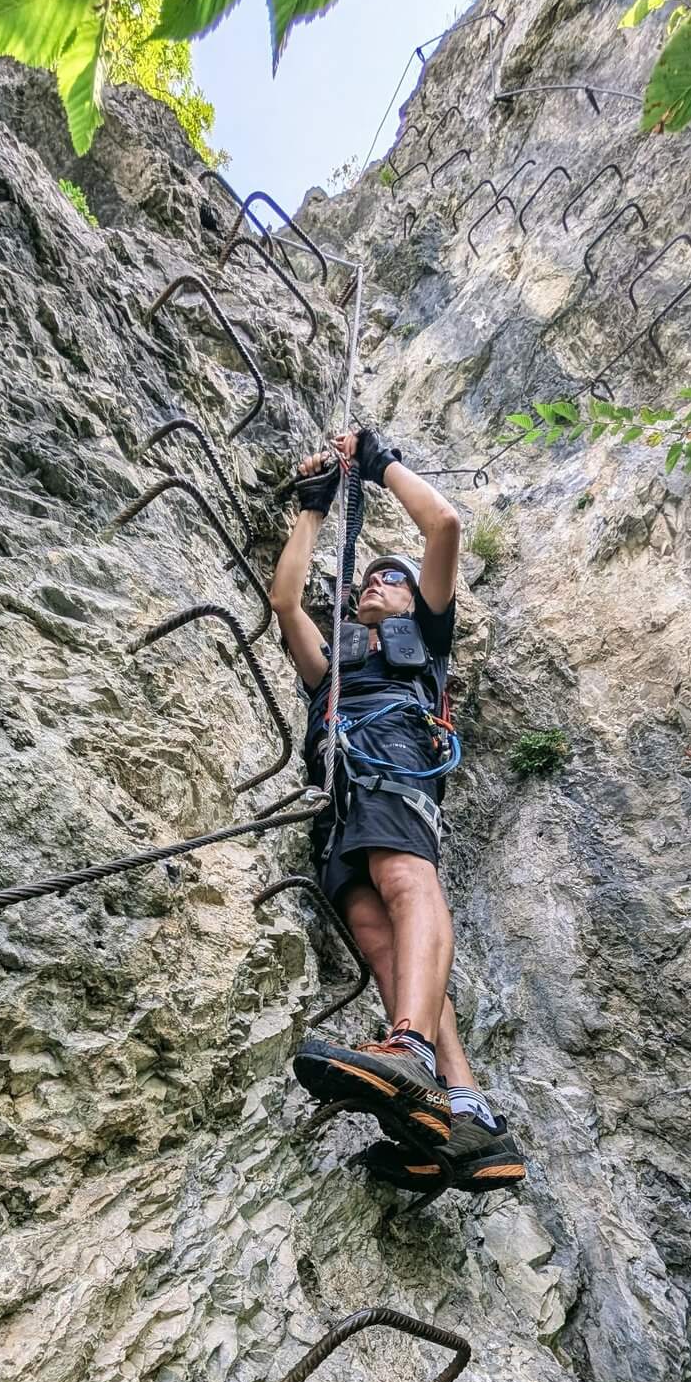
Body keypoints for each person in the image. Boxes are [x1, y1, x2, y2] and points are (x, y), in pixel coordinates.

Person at [268, 426, 524, 1196]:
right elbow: (285, 600)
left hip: (398, 763)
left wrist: (378, 465)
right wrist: (313, 510)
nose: (371, 583)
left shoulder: (429, 645)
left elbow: (443, 526)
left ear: (417, 598)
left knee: (410, 886)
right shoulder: (334, 666)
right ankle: (461, 1114)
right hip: (340, 802)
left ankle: (408, 1045)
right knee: (382, 949)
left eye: (390, 578)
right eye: (366, 578)